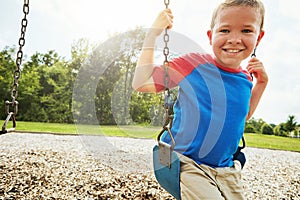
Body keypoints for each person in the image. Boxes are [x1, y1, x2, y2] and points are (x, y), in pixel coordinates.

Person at [132, 0, 268, 199]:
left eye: (247, 30)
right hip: (183, 162)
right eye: (225, 30)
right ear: (211, 36)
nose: (235, 39)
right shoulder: (193, 65)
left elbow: (242, 116)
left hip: (226, 171)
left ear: (259, 37)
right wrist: (152, 35)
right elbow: (141, 82)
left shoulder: (246, 79)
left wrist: (261, 84)